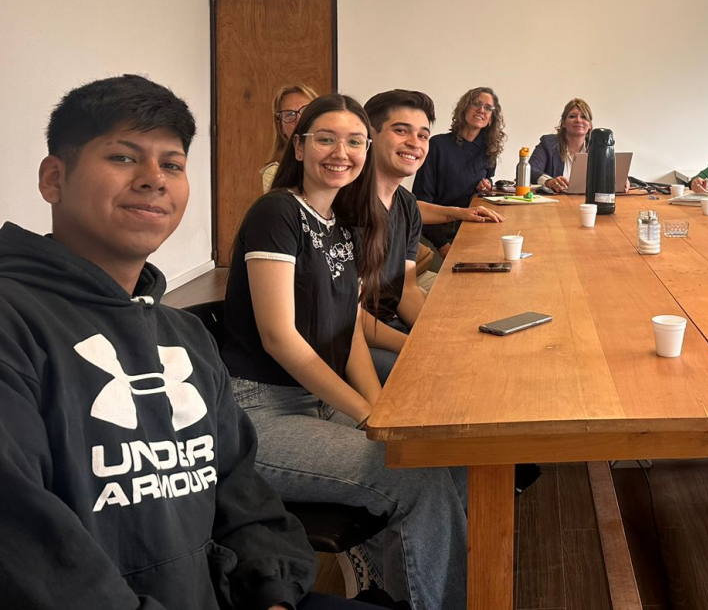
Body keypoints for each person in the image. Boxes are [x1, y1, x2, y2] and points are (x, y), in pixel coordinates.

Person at [0, 74, 380, 609]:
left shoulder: (182, 334)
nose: (154, 179)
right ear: (53, 178)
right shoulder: (14, 326)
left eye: (172, 164)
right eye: (123, 158)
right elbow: (30, 554)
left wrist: (272, 592)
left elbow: (239, 492)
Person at [220, 94, 467, 610]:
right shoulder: (277, 212)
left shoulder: (341, 225)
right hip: (259, 414)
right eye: (326, 139)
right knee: (414, 476)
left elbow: (351, 331)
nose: (342, 152)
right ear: (300, 145)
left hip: (315, 403)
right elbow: (279, 338)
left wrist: (379, 411)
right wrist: (365, 413)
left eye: (354, 141)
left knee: (434, 449)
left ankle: (400, 587)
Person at [360, 89, 503, 382]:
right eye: (401, 131)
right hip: (354, 343)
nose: (414, 143)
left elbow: (406, 290)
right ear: (369, 134)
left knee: (477, 348)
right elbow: (346, 321)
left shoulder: (405, 206)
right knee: (449, 375)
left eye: (422, 135)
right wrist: (424, 345)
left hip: (390, 324)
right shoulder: (348, 207)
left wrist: (439, 334)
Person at [413, 87, 507, 258]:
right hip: (438, 232)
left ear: (491, 118)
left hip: (470, 228)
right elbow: (421, 202)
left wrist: (485, 186)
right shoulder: (437, 145)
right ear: (464, 108)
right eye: (476, 104)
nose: (481, 110)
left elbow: (486, 180)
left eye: (488, 108)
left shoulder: (488, 150)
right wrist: (442, 244)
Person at [260, 83, 318, 193]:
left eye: (306, 111)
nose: (299, 120)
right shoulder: (274, 172)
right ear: (280, 127)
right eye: (290, 114)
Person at [531, 98, 592, 193]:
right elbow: (531, 169)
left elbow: (607, 176)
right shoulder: (548, 143)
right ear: (563, 123)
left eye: (584, 117)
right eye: (572, 116)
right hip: (556, 204)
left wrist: (618, 185)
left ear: (589, 125)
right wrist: (548, 181)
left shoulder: (597, 149)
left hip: (588, 203)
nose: (578, 120)